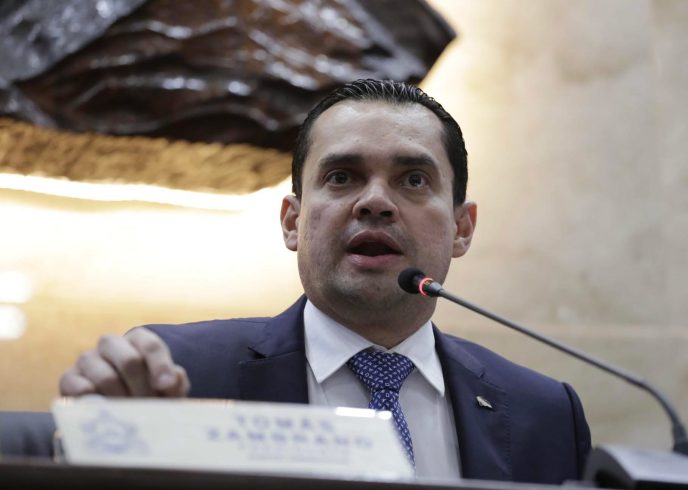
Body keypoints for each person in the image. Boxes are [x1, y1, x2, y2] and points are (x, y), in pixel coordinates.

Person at [59, 79, 591, 483]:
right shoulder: (176, 373)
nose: (376, 202)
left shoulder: (544, 415)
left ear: (462, 228)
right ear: (293, 222)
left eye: (413, 179)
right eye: (342, 177)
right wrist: (87, 445)